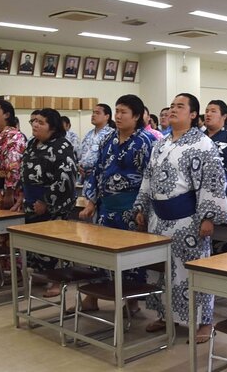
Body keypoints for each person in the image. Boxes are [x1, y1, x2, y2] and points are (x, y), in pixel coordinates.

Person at [134, 93, 227, 344]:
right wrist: (141, 207)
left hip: (188, 220)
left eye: (180, 106)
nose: (173, 110)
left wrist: (208, 217)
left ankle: (204, 321)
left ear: (193, 114)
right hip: (159, 219)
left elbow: (212, 182)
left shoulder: (202, 144)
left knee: (192, 273)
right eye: (172, 106)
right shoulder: (161, 143)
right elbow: (148, 178)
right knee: (162, 272)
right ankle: (167, 315)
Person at [80, 94, 154, 312]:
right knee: (100, 254)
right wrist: (92, 201)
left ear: (137, 116)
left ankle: (131, 301)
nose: (118, 116)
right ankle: (92, 297)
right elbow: (97, 172)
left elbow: (151, 178)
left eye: (123, 112)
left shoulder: (147, 142)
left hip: (131, 208)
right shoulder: (107, 139)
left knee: (131, 259)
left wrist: (144, 210)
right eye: (117, 111)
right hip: (106, 207)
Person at [20, 108, 77, 294]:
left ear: (52, 127)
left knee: (55, 244)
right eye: (33, 121)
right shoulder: (31, 144)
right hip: (31, 201)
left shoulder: (62, 146)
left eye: (41, 122)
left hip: (54, 204)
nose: (35, 125)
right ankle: (40, 273)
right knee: (36, 243)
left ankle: (58, 281)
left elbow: (65, 178)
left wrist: (45, 201)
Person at [78, 104, 116, 183]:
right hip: (85, 177)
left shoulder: (111, 134)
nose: (93, 115)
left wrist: (95, 169)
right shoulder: (89, 134)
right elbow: (81, 154)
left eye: (97, 113)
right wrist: (80, 166)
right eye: (93, 113)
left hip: (100, 178)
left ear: (107, 116)